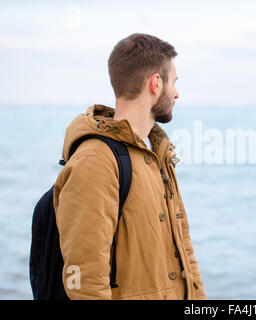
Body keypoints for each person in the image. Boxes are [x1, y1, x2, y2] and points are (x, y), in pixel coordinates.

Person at [53, 33, 207, 300]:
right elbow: (85, 282)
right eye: (174, 82)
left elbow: (185, 253)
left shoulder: (157, 152)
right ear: (156, 83)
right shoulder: (95, 162)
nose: (177, 93)